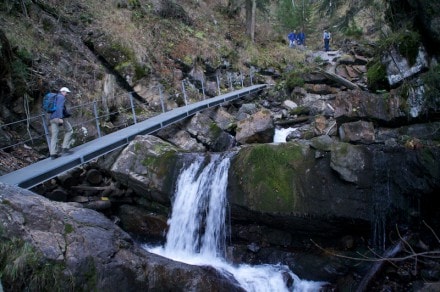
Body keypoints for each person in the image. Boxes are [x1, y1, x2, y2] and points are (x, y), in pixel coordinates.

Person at [49, 87, 73, 159]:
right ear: (63, 91)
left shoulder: (55, 98)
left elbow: (59, 108)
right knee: (69, 130)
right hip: (58, 118)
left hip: (52, 118)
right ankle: (65, 147)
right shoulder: (61, 97)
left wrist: (67, 114)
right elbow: (60, 107)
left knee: (54, 135)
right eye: (66, 92)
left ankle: (53, 153)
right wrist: (60, 118)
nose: (67, 94)